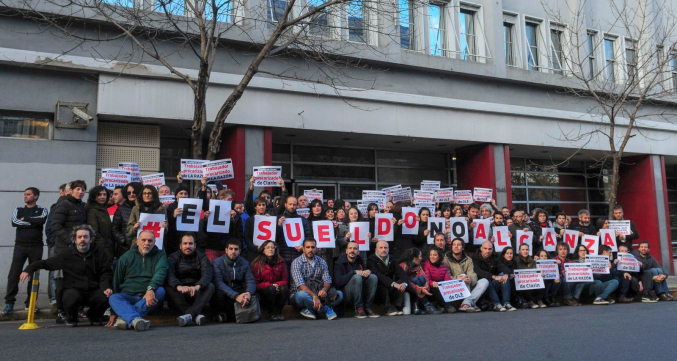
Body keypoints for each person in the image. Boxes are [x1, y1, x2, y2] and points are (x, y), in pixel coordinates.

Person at [20, 225, 112, 326]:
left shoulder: (100, 253)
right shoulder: (67, 254)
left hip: (93, 289)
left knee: (106, 296)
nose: (82, 240)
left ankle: (94, 316)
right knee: (70, 298)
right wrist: (29, 269)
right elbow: (48, 263)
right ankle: (72, 318)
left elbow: (105, 272)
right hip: (74, 289)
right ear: (75, 239)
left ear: (91, 239)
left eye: (85, 237)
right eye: (79, 237)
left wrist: (106, 287)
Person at [109, 230, 168, 331]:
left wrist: (150, 289)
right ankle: (135, 319)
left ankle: (126, 318)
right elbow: (117, 282)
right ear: (137, 241)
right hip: (128, 295)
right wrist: (114, 312)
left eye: (150, 241)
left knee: (161, 291)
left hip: (147, 296)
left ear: (154, 242)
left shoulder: (160, 255)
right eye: (143, 240)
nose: (146, 243)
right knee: (114, 297)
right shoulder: (126, 257)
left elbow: (160, 273)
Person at [3, 187, 48, 315]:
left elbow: (42, 220)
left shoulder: (42, 210)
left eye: (28, 194)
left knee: (34, 275)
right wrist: (33, 221)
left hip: (36, 246)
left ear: (36, 196)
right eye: (24, 195)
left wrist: (25, 219)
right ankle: (9, 303)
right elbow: (14, 222)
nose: (25, 196)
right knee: (14, 274)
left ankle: (30, 303)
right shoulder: (19, 210)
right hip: (20, 246)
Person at [165, 233, 214, 327]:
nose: (188, 246)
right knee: (167, 287)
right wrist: (178, 286)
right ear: (180, 246)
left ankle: (188, 315)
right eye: (185, 243)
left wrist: (198, 286)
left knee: (210, 286)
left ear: (195, 245)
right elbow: (169, 275)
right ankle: (194, 315)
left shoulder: (202, 256)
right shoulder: (173, 257)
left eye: (190, 243)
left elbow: (208, 273)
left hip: (195, 292)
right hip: (180, 293)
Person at [289, 239, 342, 320]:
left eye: (313, 247)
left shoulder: (322, 261)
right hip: (301, 294)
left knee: (340, 294)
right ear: (303, 249)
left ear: (316, 248)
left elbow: (327, 280)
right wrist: (313, 296)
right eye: (308, 247)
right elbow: (300, 285)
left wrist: (324, 289)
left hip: (318, 293)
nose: (310, 249)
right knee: (302, 295)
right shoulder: (296, 262)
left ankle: (309, 309)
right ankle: (326, 309)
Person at [211, 239, 257, 323]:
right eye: (231, 249)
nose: (233, 251)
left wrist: (248, 294)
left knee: (255, 295)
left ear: (239, 251)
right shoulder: (217, 262)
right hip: (225, 291)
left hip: (239, 290)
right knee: (218, 294)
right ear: (226, 250)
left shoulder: (245, 263)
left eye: (236, 249)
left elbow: (250, 281)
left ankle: (230, 317)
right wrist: (236, 296)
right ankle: (225, 315)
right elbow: (219, 283)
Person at [333, 241, 379, 318]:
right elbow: (338, 282)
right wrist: (354, 272)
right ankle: (359, 308)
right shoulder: (339, 262)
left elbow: (371, 272)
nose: (352, 250)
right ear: (346, 251)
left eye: (355, 249)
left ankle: (367, 307)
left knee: (373, 277)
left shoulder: (360, 261)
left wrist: (368, 271)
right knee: (357, 277)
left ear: (358, 252)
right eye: (350, 248)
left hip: (359, 291)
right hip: (345, 294)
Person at [443, 238, 489, 312]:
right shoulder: (445, 260)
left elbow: (473, 275)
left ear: (463, 247)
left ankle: (466, 303)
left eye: (458, 245)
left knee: (485, 281)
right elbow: (446, 277)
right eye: (454, 245)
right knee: (463, 276)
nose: (456, 246)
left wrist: (470, 279)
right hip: (452, 289)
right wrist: (457, 278)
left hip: (467, 286)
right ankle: (470, 303)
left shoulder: (468, 260)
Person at [251, 240, 288, 321]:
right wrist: (269, 285)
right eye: (267, 247)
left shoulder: (281, 262)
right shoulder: (257, 264)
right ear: (263, 250)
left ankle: (278, 313)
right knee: (271, 289)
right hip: (263, 291)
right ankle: (272, 313)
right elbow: (255, 284)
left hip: (277, 288)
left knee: (284, 288)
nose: (270, 249)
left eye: (272, 247)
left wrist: (277, 284)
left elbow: (285, 280)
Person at [367, 241, 407, 316]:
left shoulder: (392, 259)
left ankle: (397, 306)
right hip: (377, 289)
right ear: (376, 250)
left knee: (400, 283)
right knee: (383, 286)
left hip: (390, 287)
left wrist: (404, 283)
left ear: (388, 249)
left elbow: (401, 272)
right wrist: (393, 284)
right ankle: (387, 308)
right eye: (381, 248)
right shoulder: (371, 259)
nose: (383, 250)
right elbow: (378, 275)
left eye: (385, 248)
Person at [203, 187, 243, 262]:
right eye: (229, 199)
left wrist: (233, 219)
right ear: (221, 199)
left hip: (227, 248)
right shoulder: (211, 210)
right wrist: (206, 219)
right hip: (212, 247)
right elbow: (205, 230)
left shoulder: (235, 213)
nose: (230, 201)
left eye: (231, 199)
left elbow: (238, 232)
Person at [45, 183, 68, 313]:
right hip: (57, 244)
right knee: (54, 272)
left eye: (62, 192)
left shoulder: (77, 206)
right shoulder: (57, 206)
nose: (60, 195)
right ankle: (54, 301)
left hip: (66, 244)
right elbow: (50, 228)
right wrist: (55, 241)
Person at [398, 248, 442, 315]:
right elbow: (406, 281)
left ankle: (417, 306)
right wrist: (420, 289)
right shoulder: (404, 265)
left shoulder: (418, 265)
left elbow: (425, 277)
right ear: (415, 258)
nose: (421, 258)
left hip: (417, 288)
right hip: (405, 287)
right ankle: (427, 304)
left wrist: (425, 288)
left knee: (421, 278)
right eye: (420, 256)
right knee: (415, 280)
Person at [276, 196, 312, 273]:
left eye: (294, 204)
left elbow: (308, 236)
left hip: (298, 256)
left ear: (297, 206)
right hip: (282, 256)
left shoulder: (303, 220)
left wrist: (303, 247)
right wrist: (279, 226)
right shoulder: (278, 219)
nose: (292, 206)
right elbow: (274, 238)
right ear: (285, 205)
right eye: (290, 204)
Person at [472, 241, 511, 312]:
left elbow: (502, 266)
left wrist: (506, 274)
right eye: (485, 248)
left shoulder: (494, 257)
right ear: (481, 248)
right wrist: (493, 276)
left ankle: (506, 302)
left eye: (490, 249)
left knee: (503, 275)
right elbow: (478, 272)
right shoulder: (475, 258)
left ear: (492, 249)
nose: (487, 251)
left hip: (492, 285)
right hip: (481, 287)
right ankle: (496, 303)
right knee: (486, 279)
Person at [112, 182, 142, 258]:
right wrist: (123, 241)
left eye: (134, 192)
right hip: (125, 248)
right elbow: (114, 228)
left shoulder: (144, 208)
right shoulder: (121, 209)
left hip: (142, 245)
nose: (131, 194)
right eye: (129, 192)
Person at [422, 246, 455, 313]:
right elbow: (427, 278)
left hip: (440, 286)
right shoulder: (426, 264)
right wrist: (432, 283)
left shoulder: (443, 265)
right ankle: (446, 305)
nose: (432, 257)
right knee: (436, 288)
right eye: (430, 255)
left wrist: (449, 285)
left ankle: (439, 305)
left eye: (434, 255)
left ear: (439, 257)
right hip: (430, 287)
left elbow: (447, 278)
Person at [86, 186, 114, 259]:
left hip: (106, 247)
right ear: (94, 197)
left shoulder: (103, 209)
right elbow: (94, 231)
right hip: (100, 249)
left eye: (104, 194)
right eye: (99, 195)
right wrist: (105, 245)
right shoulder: (92, 211)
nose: (102, 197)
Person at [514, 244, 545, 309]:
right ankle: (530, 301)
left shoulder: (532, 260)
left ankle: (539, 300)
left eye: (527, 249)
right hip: (521, 281)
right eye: (523, 249)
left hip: (530, 280)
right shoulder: (515, 260)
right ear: (519, 251)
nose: (525, 251)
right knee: (525, 282)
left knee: (541, 279)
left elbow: (535, 271)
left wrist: (539, 274)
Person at [554, 242, 579, 306]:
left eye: (565, 249)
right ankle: (568, 298)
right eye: (560, 249)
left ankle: (575, 298)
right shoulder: (553, 260)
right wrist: (560, 272)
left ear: (567, 251)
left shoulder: (570, 262)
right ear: (557, 251)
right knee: (565, 278)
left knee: (581, 279)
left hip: (570, 280)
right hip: (559, 280)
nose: (563, 251)